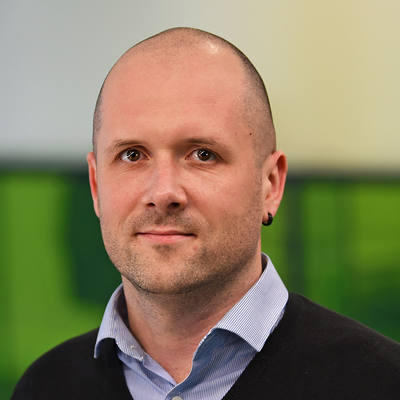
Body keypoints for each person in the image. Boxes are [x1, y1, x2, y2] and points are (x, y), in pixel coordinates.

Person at [12, 27, 400, 400]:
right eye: (132, 155)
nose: (163, 192)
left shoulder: (381, 383)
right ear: (97, 185)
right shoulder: (45, 388)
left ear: (270, 185)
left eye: (203, 154)